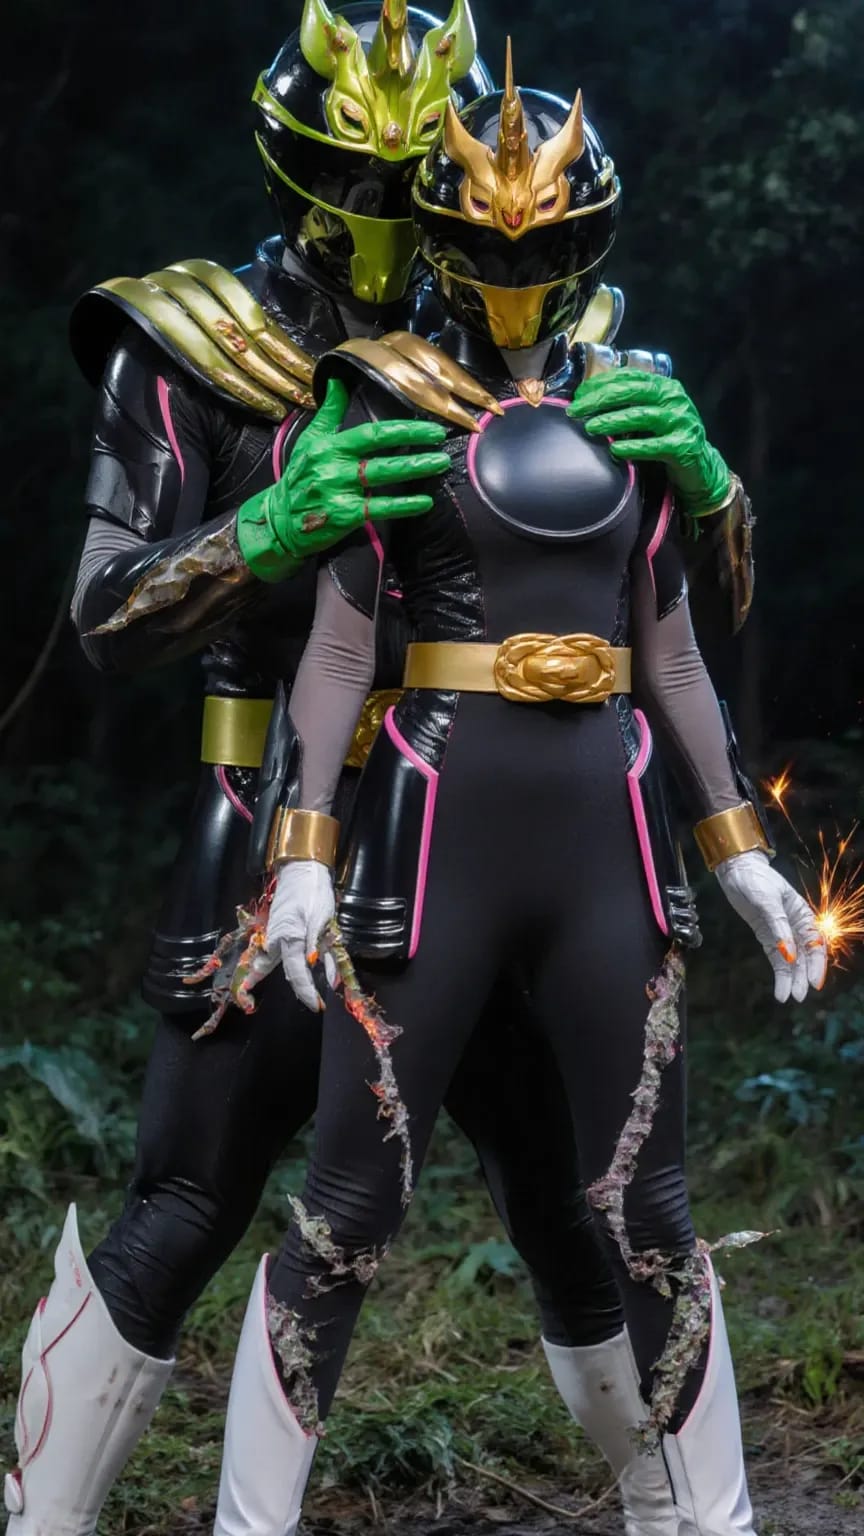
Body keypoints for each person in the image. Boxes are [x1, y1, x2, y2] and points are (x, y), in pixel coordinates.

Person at [1, 9, 739, 1536]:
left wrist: (709, 485)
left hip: (511, 815)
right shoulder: (198, 343)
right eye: (362, 177)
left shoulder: (566, 355)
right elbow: (105, 616)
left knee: (583, 1207)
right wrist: (269, 526)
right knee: (188, 1205)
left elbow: (680, 622)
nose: (396, 208)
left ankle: (687, 1510)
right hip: (279, 810)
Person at [224, 43, 828, 1536]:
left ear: (588, 243)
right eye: (488, 249)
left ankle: (715, 1522)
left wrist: (742, 850)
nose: (513, 279)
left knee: (652, 1213)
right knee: (346, 1212)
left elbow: (672, 653)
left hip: (610, 835)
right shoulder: (381, 393)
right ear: (440, 239)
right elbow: (341, 647)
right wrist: (301, 852)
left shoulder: (639, 402)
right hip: (432, 825)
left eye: (542, 249)